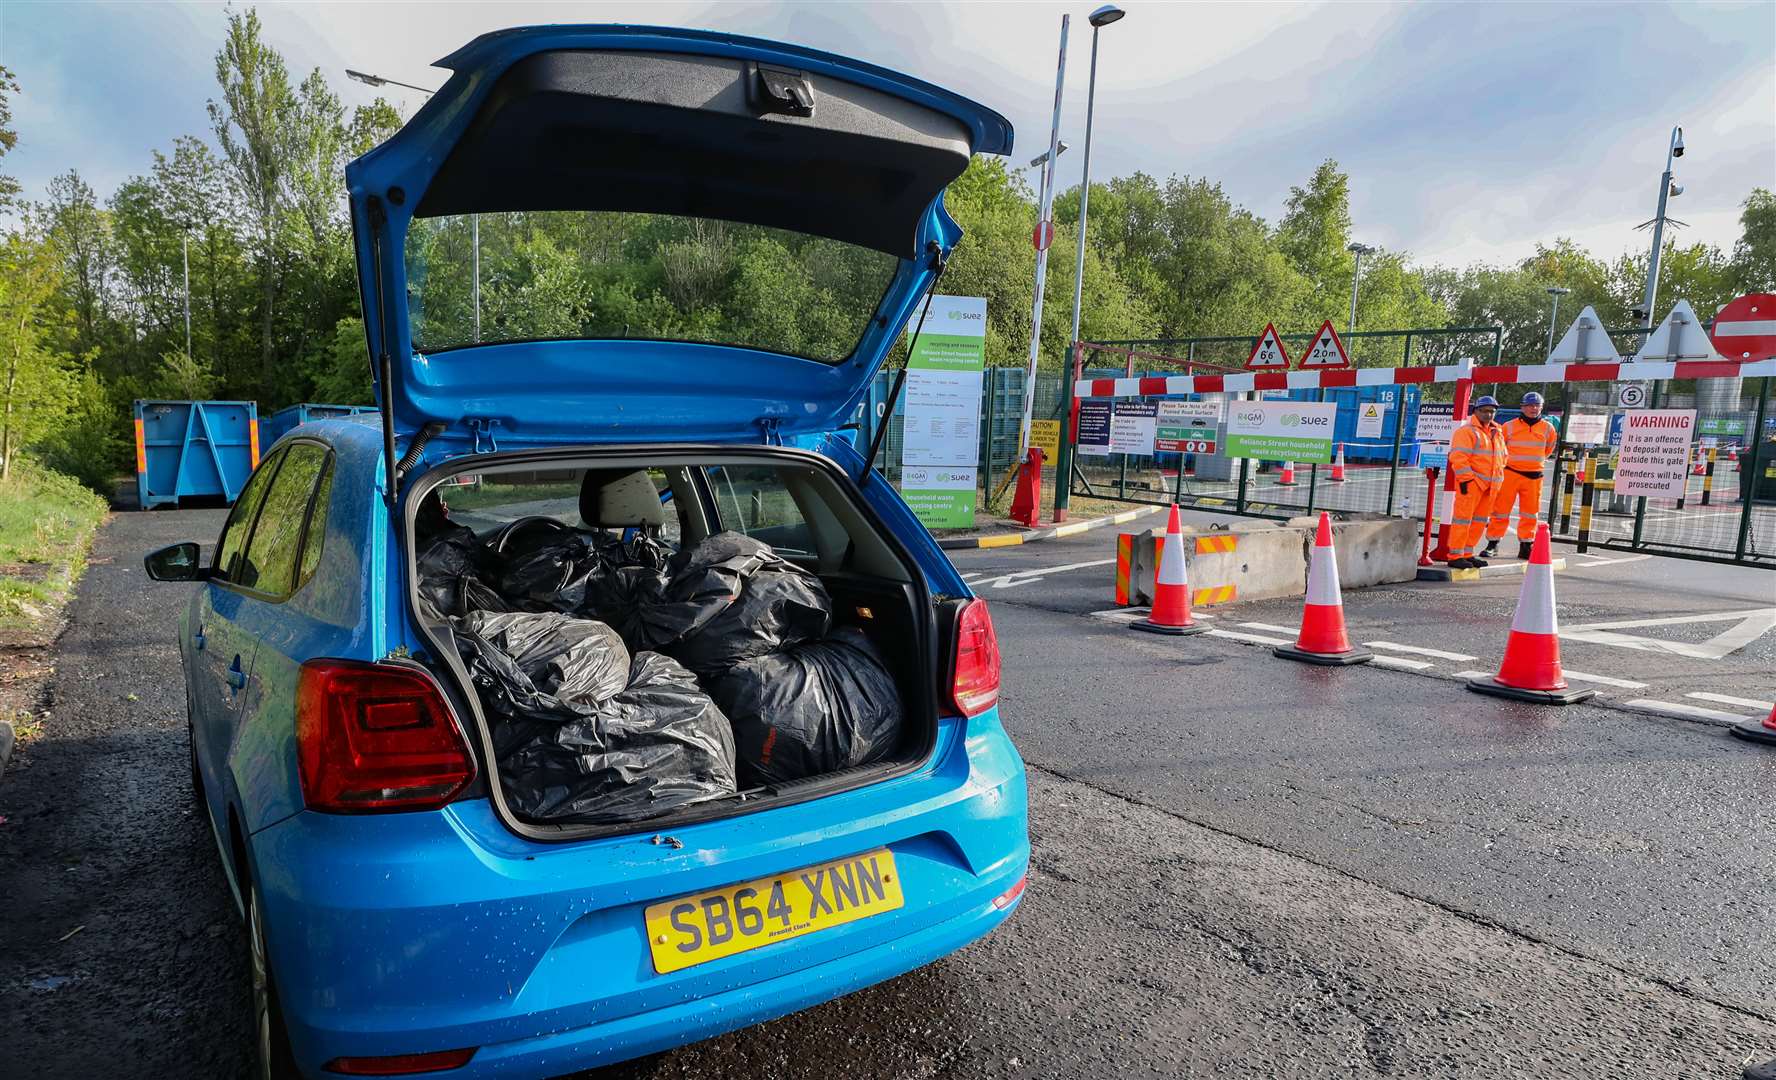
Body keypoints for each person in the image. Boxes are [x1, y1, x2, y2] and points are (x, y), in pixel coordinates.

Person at [1484, 391, 1561, 560]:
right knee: (1500, 510)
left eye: (1537, 405)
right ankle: (1493, 544)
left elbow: (1548, 449)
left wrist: (1533, 463)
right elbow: (1500, 449)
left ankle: (1526, 545)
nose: (1534, 408)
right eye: (1530, 405)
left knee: (1530, 513)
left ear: (1541, 407)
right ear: (1522, 407)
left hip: (1534, 476)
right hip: (1510, 473)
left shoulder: (1548, 428)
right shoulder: (1509, 426)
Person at [1445, 395, 1506, 569]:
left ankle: (1467, 553)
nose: (1489, 414)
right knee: (1463, 520)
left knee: (1478, 522)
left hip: (1490, 486)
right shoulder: (1467, 431)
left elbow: (1503, 458)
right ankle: (1455, 555)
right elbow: (1458, 457)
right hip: (1472, 485)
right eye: (1485, 411)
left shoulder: (1497, 432)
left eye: (1492, 411)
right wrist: (1468, 480)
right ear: (1476, 411)